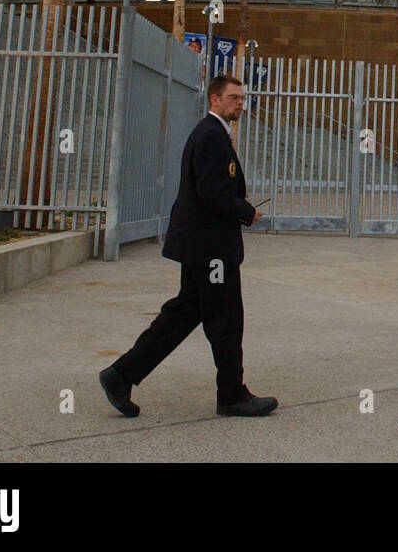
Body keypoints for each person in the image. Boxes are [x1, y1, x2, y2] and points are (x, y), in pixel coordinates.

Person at [99, 74, 277, 418]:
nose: (239, 103)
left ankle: (121, 375)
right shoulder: (211, 136)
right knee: (225, 319)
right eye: (233, 97)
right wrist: (247, 212)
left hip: (201, 244)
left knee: (182, 315)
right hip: (211, 249)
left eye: (242, 98)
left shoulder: (212, 134)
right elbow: (213, 193)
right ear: (214, 100)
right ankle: (232, 395)